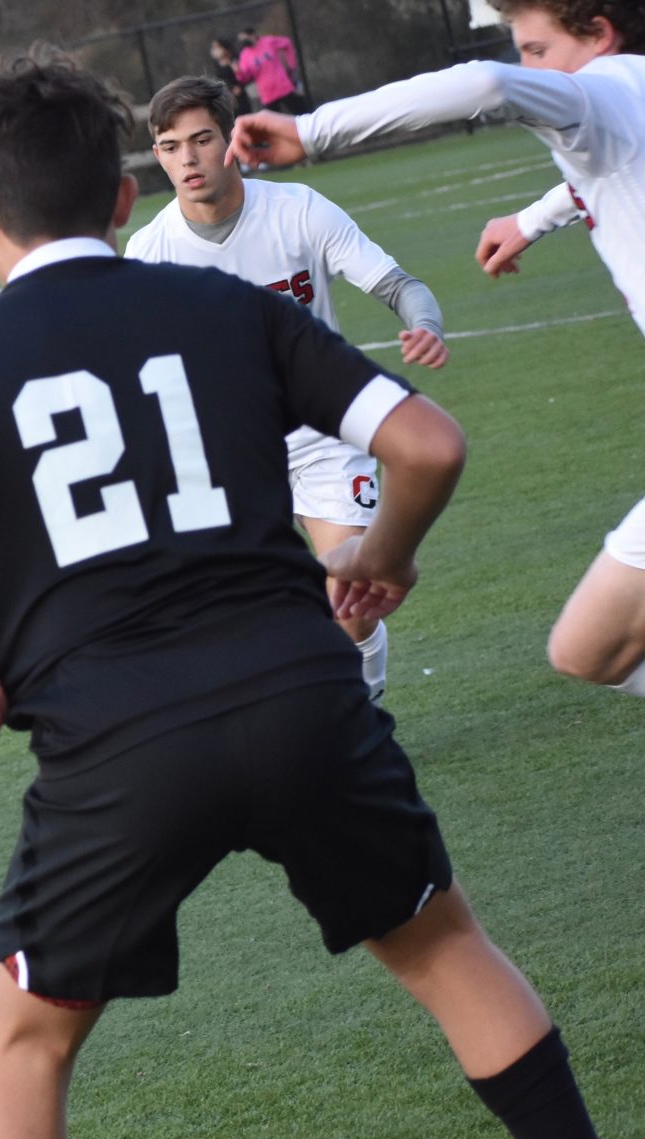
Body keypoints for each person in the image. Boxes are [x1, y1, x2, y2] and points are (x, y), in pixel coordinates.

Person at [0, 50, 645, 1139]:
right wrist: (380, 562)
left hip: (113, 747)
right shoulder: (220, 306)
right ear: (118, 194)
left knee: (28, 1040)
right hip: (300, 696)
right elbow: (427, 442)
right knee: (444, 950)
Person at [230, 0, 645, 696]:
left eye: (537, 50)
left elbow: (485, 87)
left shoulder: (594, 95)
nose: (528, 66)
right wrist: (532, 217)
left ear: (599, 34)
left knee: (590, 649)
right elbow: (607, 171)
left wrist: (312, 129)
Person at [125, 75, 451, 702]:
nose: (188, 159)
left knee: (354, 602)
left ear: (233, 140)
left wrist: (426, 325)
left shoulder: (299, 209)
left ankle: (362, 710)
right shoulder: (149, 251)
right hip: (225, 450)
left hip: (324, 432)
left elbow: (399, 285)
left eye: (201, 140)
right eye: (170, 146)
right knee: (234, 622)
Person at [234, 24, 306, 114]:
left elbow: (287, 43)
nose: (243, 41)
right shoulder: (244, 55)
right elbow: (245, 77)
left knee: (302, 113)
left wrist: (291, 65)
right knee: (274, 123)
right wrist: (238, 72)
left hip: (283, 86)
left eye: (244, 38)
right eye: (241, 40)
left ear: (252, 35)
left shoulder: (268, 42)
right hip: (267, 94)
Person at [207, 36, 249, 112]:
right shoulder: (216, 64)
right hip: (228, 97)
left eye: (217, 46)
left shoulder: (234, 59)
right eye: (213, 47)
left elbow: (244, 77)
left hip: (240, 95)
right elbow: (220, 79)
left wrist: (240, 86)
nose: (215, 49)